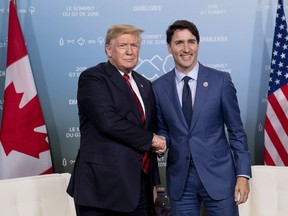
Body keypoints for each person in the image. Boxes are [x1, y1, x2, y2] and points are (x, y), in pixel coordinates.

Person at [152, 20, 251, 216]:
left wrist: (243, 175)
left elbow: (236, 131)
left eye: (191, 41)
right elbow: (164, 129)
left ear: (198, 45)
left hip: (220, 178)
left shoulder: (221, 81)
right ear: (169, 47)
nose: (186, 49)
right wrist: (161, 142)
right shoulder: (158, 87)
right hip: (181, 181)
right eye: (179, 43)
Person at [67, 24, 166, 216]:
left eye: (134, 46)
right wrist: (152, 139)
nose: (130, 51)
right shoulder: (93, 78)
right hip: (102, 192)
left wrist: (154, 183)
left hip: (141, 190)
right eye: (122, 46)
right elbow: (108, 121)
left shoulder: (145, 84)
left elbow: (148, 130)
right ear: (108, 50)